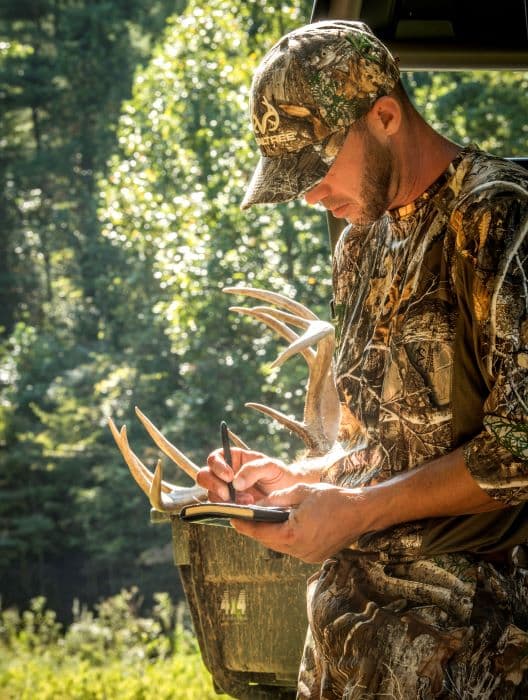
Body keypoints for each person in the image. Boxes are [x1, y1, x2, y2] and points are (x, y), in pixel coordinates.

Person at [197, 19, 528, 698]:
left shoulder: (499, 219)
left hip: (473, 625)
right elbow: (374, 447)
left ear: (385, 116)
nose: (309, 194)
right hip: (354, 628)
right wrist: (299, 480)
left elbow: (521, 451)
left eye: (318, 167)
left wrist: (357, 511)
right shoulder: (360, 246)